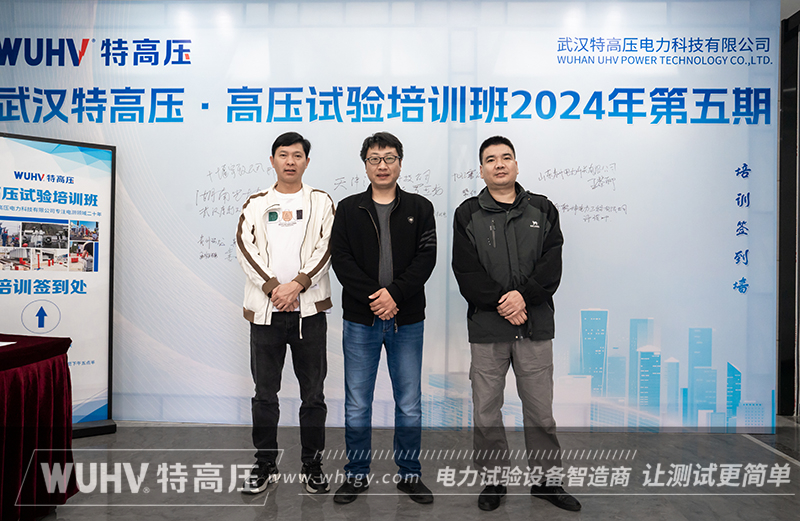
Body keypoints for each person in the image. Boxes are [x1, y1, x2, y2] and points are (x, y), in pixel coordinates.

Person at [452, 136, 580, 512]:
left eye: (506, 157)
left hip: (534, 327)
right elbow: (466, 270)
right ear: (481, 170)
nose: (499, 164)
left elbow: (551, 263)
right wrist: (503, 302)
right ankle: (494, 481)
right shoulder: (468, 213)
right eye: (491, 159)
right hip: (488, 329)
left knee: (540, 411)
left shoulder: (542, 208)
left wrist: (524, 297)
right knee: (486, 411)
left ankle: (547, 482)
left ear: (517, 165)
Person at [331, 132, 437, 505]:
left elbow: (426, 259)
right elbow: (341, 260)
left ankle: (409, 475)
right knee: (357, 402)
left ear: (400, 164)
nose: (382, 165)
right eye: (375, 159)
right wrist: (376, 299)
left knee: (409, 402)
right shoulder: (348, 209)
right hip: (361, 320)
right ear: (365, 165)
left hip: (406, 320)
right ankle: (356, 475)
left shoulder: (420, 207)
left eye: (389, 158)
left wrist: (395, 295)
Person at [235, 132, 335, 495]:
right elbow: (245, 247)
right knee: (265, 394)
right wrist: (274, 288)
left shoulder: (321, 201)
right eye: (283, 155)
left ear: (307, 161)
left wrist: (298, 285)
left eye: (297, 155)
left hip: (309, 313)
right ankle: (265, 463)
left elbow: (328, 247)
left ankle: (312, 464)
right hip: (267, 313)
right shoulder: (257, 203)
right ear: (272, 160)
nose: (290, 161)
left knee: (313, 395)